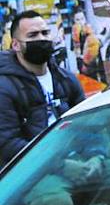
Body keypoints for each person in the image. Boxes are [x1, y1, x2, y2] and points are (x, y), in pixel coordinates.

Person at [0, 11, 85, 166]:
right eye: (32, 35)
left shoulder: (66, 79)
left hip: (80, 159)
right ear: (16, 45)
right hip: (33, 170)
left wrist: (96, 156)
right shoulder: (5, 87)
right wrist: (61, 164)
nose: (41, 39)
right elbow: (8, 144)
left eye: (45, 33)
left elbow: (88, 124)